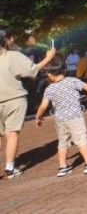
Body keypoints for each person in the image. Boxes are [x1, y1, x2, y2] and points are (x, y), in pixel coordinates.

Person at [34, 56, 87, 176]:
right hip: (75, 117)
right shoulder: (72, 81)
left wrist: (38, 117)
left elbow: (43, 106)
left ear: (50, 74)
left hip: (60, 120)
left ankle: (63, 167)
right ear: (64, 70)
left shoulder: (49, 89)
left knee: (62, 143)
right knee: (81, 139)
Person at [0, 30, 56, 178]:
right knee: (12, 134)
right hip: (14, 99)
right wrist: (48, 58)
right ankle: (10, 168)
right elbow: (32, 70)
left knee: (2, 135)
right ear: (8, 39)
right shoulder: (13, 56)